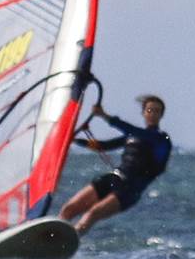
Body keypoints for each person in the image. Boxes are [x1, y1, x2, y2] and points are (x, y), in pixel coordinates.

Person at [64, 94, 173, 236]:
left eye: (157, 111)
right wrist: (75, 140)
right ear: (143, 113)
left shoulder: (161, 139)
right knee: (69, 209)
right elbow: (102, 146)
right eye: (149, 110)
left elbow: (134, 131)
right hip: (115, 178)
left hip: (130, 189)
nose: (152, 114)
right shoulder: (131, 136)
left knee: (93, 213)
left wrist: (104, 116)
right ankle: (50, 236)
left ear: (161, 115)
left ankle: (69, 239)